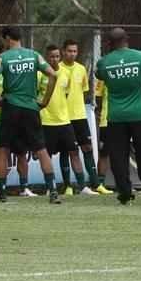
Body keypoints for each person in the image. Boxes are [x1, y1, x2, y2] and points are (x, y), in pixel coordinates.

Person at [0, 26, 62, 204]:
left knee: (2, 149)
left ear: (7, 38)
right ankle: (53, 191)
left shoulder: (3, 58)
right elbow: (53, 75)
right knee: (41, 149)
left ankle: (2, 192)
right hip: (31, 107)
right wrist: (45, 100)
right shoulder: (33, 55)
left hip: (10, 107)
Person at [95, 27, 141, 205]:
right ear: (127, 39)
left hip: (116, 116)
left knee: (118, 156)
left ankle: (125, 193)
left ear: (109, 43)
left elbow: (100, 76)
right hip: (140, 114)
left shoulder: (104, 62)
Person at [38, 44, 94, 195]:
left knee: (74, 152)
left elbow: (67, 94)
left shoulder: (65, 73)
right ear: (47, 57)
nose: (55, 59)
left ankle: (82, 186)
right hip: (47, 121)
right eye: (51, 57)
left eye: (57, 56)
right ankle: (50, 187)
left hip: (64, 121)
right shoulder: (40, 74)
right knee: (47, 155)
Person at [61, 39, 102, 194]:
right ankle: (69, 186)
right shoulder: (57, 69)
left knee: (87, 148)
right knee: (68, 150)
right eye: (69, 51)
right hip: (64, 117)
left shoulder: (81, 69)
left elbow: (84, 91)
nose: (72, 54)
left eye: (75, 51)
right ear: (63, 51)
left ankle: (95, 184)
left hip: (80, 116)